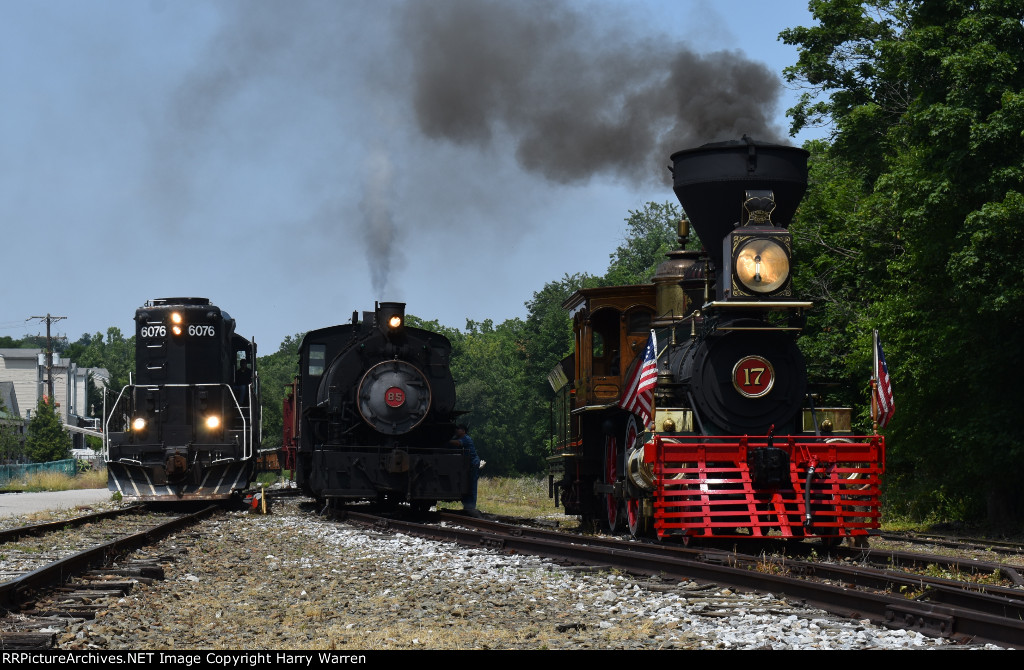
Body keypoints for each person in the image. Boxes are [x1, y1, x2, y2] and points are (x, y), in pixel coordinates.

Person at [450, 424, 481, 517]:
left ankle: (471, 506)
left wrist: (447, 441)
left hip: (473, 464)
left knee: (472, 485)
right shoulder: (460, 437)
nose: (457, 430)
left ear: (463, 431)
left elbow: (458, 443)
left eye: (458, 429)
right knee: (467, 484)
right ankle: (467, 506)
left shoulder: (466, 439)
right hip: (467, 464)